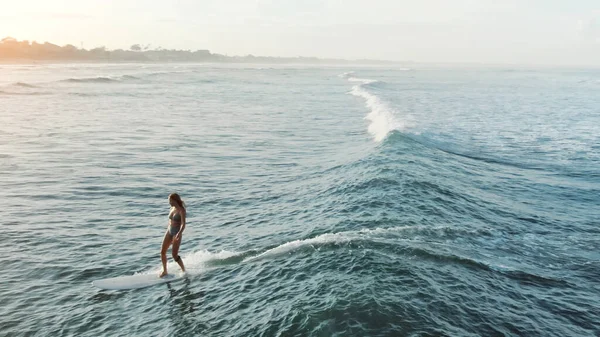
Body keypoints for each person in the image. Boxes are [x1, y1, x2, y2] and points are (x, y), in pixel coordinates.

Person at [159, 193, 186, 277]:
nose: (169, 202)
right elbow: (170, 221)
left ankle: (184, 270)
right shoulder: (172, 208)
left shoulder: (182, 210)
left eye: (170, 200)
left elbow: (183, 224)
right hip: (169, 231)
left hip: (176, 233)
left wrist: (179, 233)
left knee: (174, 255)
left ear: (175, 200)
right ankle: (165, 271)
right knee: (162, 252)